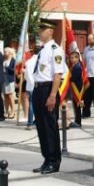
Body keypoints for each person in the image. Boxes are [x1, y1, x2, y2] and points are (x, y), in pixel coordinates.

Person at [32, 22, 65, 174]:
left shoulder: (55, 50)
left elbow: (57, 74)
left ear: (50, 31)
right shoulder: (42, 50)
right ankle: (46, 158)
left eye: (42, 30)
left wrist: (52, 95)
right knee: (41, 126)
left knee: (50, 126)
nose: (40, 32)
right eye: (39, 29)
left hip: (48, 89)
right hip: (38, 89)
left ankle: (54, 161)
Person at [22, 41, 41, 130]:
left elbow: (26, 76)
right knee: (40, 104)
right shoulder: (42, 61)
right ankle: (38, 121)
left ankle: (30, 123)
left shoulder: (28, 62)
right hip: (39, 85)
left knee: (31, 104)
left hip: (30, 85)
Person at [68, 51, 84, 128]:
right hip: (74, 88)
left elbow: (75, 77)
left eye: (72, 58)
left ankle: (78, 122)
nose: (71, 59)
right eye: (70, 58)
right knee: (75, 106)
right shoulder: (74, 66)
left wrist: (68, 78)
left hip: (77, 88)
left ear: (77, 58)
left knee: (77, 105)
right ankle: (76, 120)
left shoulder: (77, 66)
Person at [3, 47, 16, 120]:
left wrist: (7, 67)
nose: (4, 53)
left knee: (10, 95)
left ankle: (13, 111)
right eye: (4, 52)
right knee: (5, 95)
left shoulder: (13, 60)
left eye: (6, 52)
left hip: (10, 79)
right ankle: (6, 111)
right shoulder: (3, 60)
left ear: (10, 53)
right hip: (3, 79)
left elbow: (14, 70)